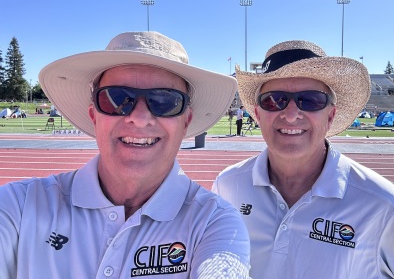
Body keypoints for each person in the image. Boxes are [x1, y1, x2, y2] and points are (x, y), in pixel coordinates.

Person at [0, 31, 251, 278]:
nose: (139, 118)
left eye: (165, 101)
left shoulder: (214, 223)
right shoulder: (17, 207)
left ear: (186, 122)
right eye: (117, 98)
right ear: (93, 116)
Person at [213, 39, 394, 278]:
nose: (292, 114)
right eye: (274, 100)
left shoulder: (385, 207)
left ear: (330, 115)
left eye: (311, 100)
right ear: (257, 114)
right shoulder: (227, 187)